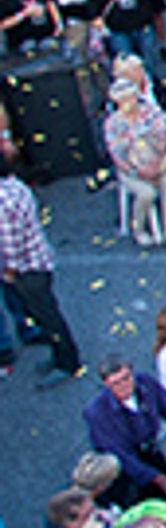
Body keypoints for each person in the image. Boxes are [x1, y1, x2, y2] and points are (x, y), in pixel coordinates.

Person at [0, 134, 84, 377]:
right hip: (40, 260)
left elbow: (11, 245)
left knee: (48, 316)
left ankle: (68, 362)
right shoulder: (15, 186)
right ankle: (59, 356)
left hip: (27, 270)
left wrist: (10, 272)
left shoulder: (2, 201)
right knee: (47, 314)